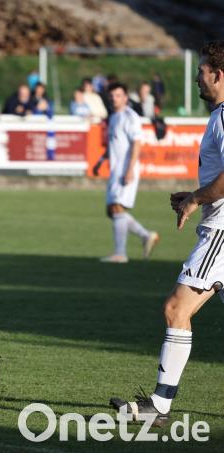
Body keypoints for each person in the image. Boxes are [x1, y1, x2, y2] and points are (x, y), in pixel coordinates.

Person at [110, 40, 224, 427]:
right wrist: (194, 195)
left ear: (218, 75)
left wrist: (196, 198)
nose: (196, 78)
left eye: (201, 72)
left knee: (176, 309)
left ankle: (159, 407)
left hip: (221, 232)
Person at [92, 82, 159, 264]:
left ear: (125, 98)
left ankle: (120, 253)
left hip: (126, 169)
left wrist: (130, 169)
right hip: (116, 170)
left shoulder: (130, 116)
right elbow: (114, 144)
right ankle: (146, 235)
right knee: (111, 210)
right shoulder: (114, 116)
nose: (114, 99)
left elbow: (137, 143)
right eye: (112, 96)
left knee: (116, 208)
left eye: (118, 95)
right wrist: (100, 161)